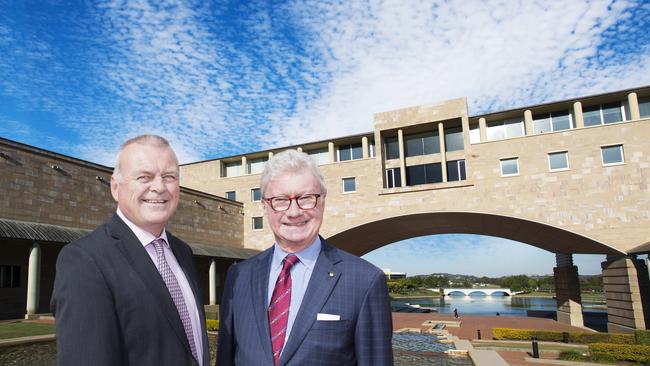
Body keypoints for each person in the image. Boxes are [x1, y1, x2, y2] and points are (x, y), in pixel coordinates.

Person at [217, 150, 393, 366]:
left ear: (322, 201)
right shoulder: (239, 276)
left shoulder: (365, 280)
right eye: (280, 200)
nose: (294, 212)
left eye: (306, 198)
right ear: (264, 206)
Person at [51, 135, 209, 366]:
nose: (159, 187)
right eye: (144, 177)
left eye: (169, 177)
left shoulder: (182, 252)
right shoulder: (85, 261)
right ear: (115, 187)